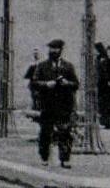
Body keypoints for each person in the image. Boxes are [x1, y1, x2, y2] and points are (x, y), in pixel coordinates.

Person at [28, 39, 79, 167]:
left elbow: (76, 84)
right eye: (51, 49)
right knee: (45, 132)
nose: (53, 51)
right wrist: (46, 84)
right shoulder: (42, 66)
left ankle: (65, 158)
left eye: (56, 49)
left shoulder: (68, 66)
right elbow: (33, 83)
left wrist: (67, 83)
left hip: (64, 105)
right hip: (47, 104)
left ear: (61, 50)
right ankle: (44, 157)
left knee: (65, 133)